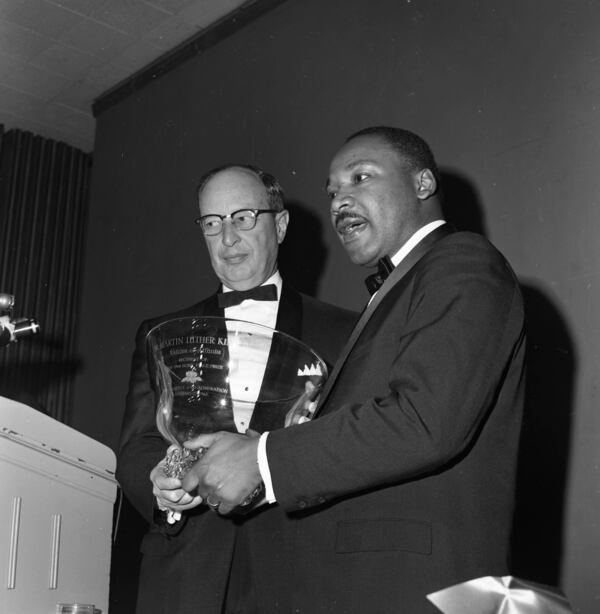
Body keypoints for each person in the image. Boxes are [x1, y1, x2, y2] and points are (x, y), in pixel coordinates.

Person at [183, 128, 527, 613]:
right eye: (332, 192)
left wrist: (260, 459)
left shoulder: (461, 260)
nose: (340, 201)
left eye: (360, 178)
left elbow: (424, 420)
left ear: (423, 183)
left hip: (417, 588)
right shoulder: (399, 288)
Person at [116, 163, 357, 614]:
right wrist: (161, 484)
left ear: (280, 225)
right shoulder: (160, 333)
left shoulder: (347, 331)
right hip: (185, 576)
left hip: (298, 576)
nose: (227, 239)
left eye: (243, 217)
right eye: (212, 223)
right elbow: (138, 446)